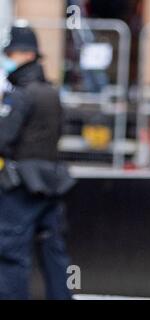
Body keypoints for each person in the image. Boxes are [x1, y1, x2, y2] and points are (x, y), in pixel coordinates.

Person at [0, 23, 75, 299]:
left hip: (21, 187)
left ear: (26, 54)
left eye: (11, 53)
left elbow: (3, 139)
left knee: (11, 255)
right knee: (54, 253)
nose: (8, 58)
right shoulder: (52, 92)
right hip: (53, 183)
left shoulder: (20, 95)